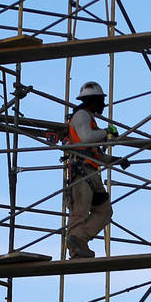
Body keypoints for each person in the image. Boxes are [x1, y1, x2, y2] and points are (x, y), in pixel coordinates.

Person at [63, 81, 125, 259]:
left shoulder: (89, 119)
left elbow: (93, 152)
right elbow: (86, 139)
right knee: (80, 212)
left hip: (90, 172)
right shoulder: (81, 115)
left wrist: (115, 160)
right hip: (81, 172)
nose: (103, 105)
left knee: (104, 211)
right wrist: (106, 132)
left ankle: (79, 240)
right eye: (101, 101)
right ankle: (76, 248)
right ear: (94, 100)